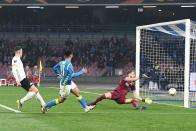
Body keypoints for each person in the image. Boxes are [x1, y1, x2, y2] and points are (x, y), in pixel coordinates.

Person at [12, 46, 46, 112]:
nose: (22, 53)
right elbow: (14, 70)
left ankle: (43, 105)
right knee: (35, 91)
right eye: (21, 51)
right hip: (22, 80)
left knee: (35, 91)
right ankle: (21, 101)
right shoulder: (15, 59)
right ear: (19, 52)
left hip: (24, 79)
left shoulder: (17, 59)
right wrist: (17, 80)